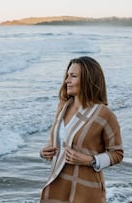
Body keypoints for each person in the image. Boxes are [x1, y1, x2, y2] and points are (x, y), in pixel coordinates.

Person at [39, 56, 124, 203]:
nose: (67, 80)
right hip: (58, 184)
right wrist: (45, 151)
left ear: (87, 79)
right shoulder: (63, 106)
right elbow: (60, 139)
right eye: (67, 76)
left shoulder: (104, 114)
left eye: (73, 76)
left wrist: (90, 160)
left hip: (85, 190)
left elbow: (117, 153)